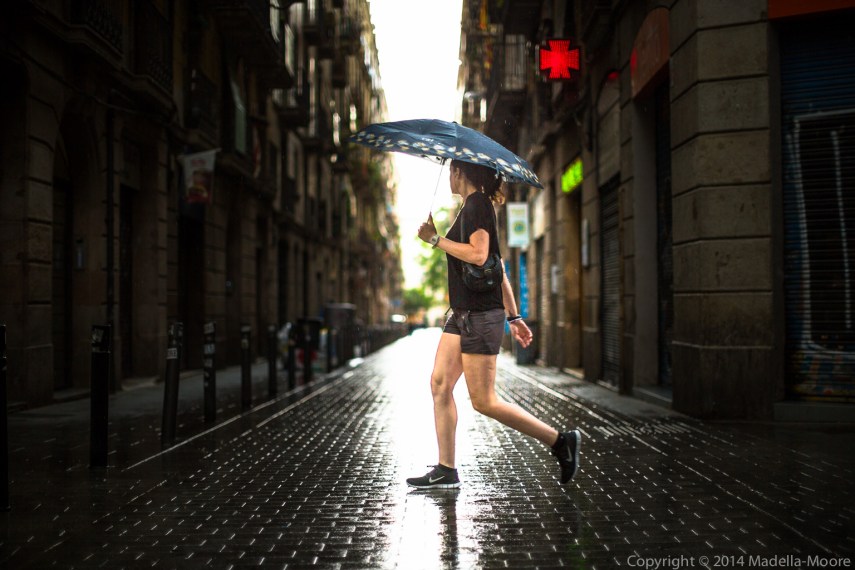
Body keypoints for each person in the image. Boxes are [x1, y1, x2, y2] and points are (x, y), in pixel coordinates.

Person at [408, 159, 581, 490]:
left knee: (484, 400)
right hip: (462, 314)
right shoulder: (471, 207)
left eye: (450, 171)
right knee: (440, 384)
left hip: (479, 316)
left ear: (460, 172)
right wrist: (515, 316)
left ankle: (561, 442)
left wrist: (435, 240)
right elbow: (497, 268)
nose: (448, 177)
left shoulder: (477, 205)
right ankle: (446, 468)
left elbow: (478, 255)